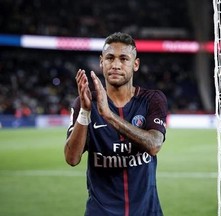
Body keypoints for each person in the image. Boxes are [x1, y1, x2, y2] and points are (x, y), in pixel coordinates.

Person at [64, 32, 168, 216]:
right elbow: (72, 158)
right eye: (110, 58)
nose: (116, 65)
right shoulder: (84, 103)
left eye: (124, 59)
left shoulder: (152, 100)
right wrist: (85, 112)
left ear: (135, 64)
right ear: (101, 62)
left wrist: (109, 115)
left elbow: (154, 145)